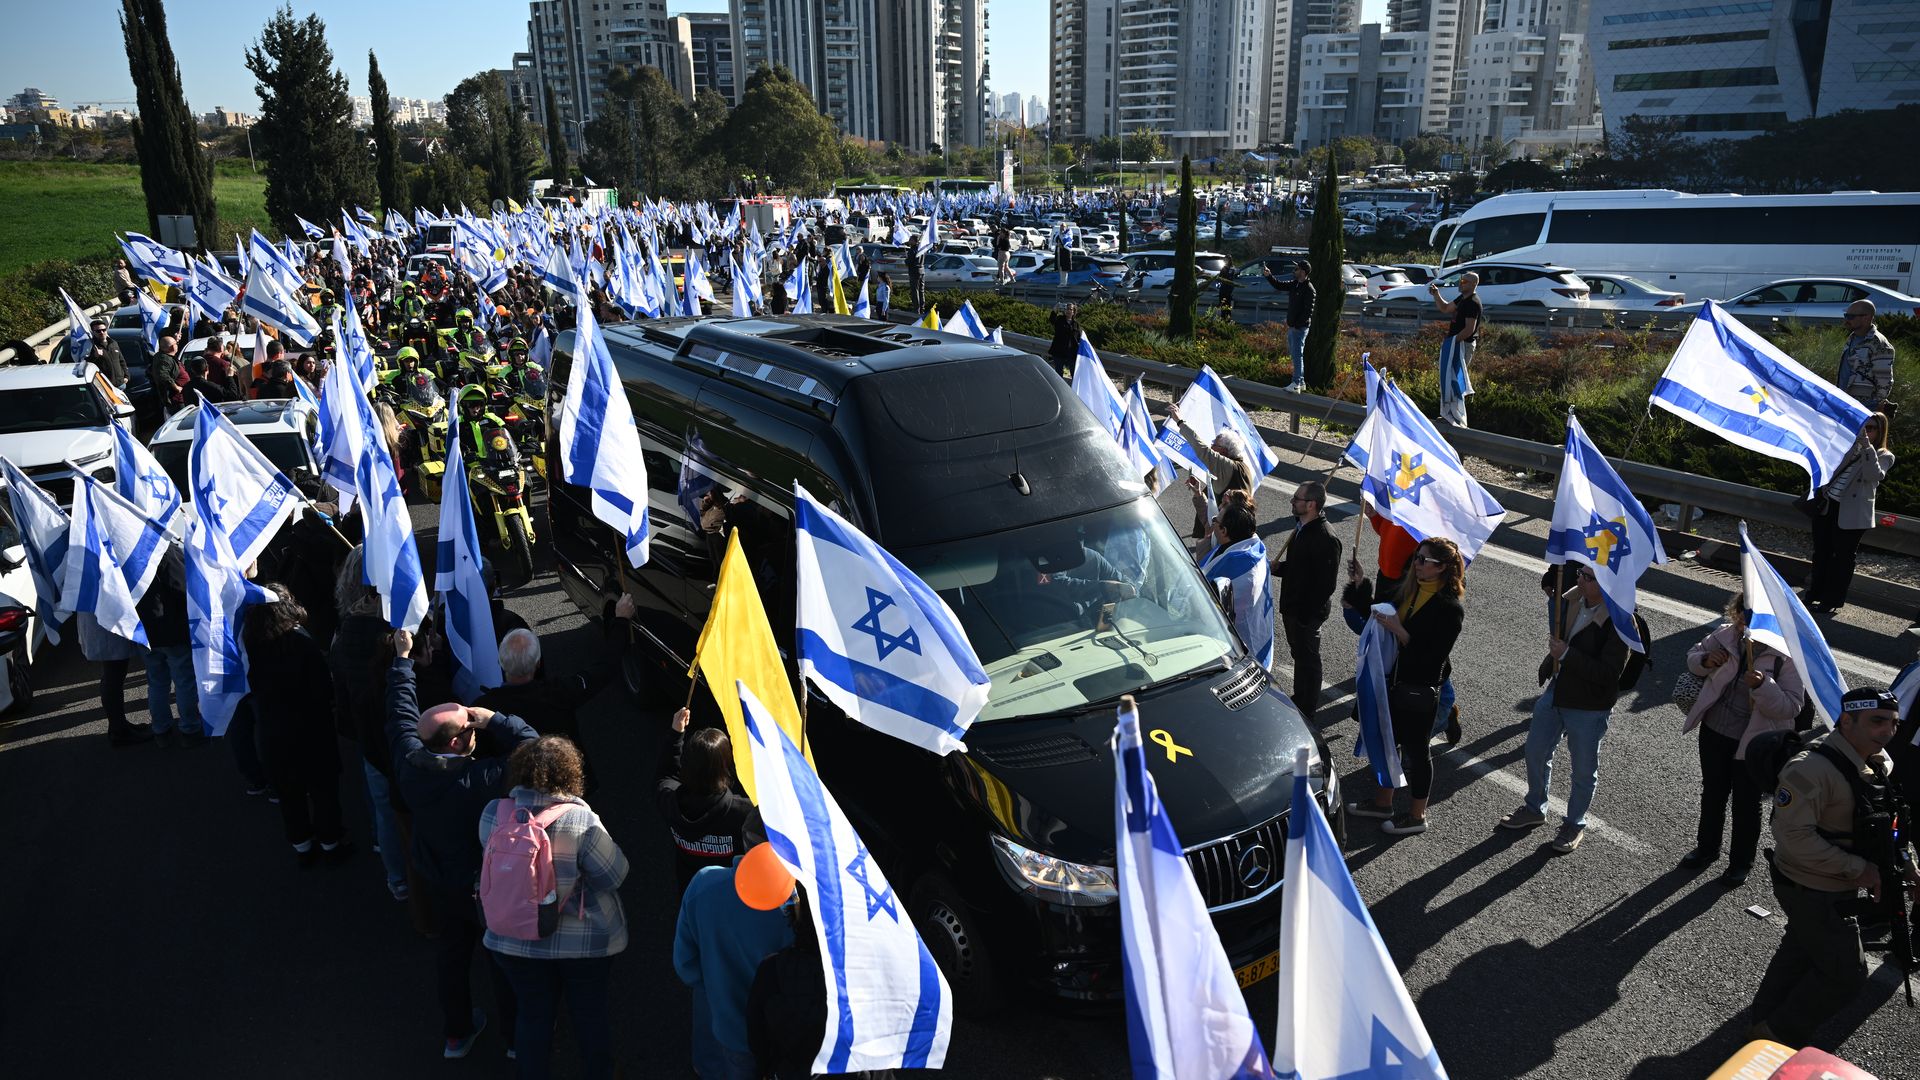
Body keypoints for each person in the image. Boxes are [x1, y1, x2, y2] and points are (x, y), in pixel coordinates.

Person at [387, 627, 534, 1061]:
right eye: (469, 727)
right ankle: (513, 1039)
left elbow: (398, 712)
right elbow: (534, 747)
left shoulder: (409, 761)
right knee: (501, 963)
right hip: (483, 885)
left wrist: (402, 662)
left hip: (439, 878)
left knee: (451, 956)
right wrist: (496, 720)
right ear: (457, 743)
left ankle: (457, 1034)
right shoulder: (481, 778)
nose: (475, 729)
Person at [1747, 686, 1914, 1048]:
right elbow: (1793, 837)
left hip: (1836, 882)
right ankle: (1778, 1034)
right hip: (1811, 885)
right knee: (1847, 974)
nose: (1887, 730)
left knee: (1802, 948)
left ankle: (1763, 1019)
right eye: (1877, 721)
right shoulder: (1809, 770)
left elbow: (1887, 822)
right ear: (1846, 720)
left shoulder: (1877, 762)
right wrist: (1862, 870)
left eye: (1893, 722)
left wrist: (1906, 864)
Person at [481, 736, 630, 1080]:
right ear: (570, 773)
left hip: (513, 940)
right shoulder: (582, 820)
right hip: (584, 945)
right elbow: (614, 875)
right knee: (589, 1013)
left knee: (532, 1015)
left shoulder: (494, 814)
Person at [1499, 565, 1631, 854]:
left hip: (1589, 705)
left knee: (1583, 769)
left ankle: (1575, 823)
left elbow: (1609, 674)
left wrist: (1567, 655)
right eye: (1580, 574)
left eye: (1587, 577)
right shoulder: (1572, 600)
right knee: (1535, 750)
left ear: (1607, 584)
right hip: (1557, 692)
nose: (1578, 579)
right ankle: (1534, 807)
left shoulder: (1620, 621)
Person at [1342, 537, 1467, 836]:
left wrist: (1399, 630)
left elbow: (1432, 655)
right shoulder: (1409, 590)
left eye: (1425, 560)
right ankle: (1383, 803)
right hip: (1394, 682)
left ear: (1444, 568)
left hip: (1419, 688)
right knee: (1389, 742)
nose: (1417, 564)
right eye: (1417, 557)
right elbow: (1377, 611)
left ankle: (1416, 815)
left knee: (1417, 750)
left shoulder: (1450, 608)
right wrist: (1360, 584)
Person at [1680, 597, 1806, 887]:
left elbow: (1791, 708)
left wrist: (1763, 686)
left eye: (1750, 618)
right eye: (1741, 616)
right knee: (1713, 792)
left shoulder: (1785, 656)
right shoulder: (1725, 635)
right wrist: (1705, 660)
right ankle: (1706, 849)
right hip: (1714, 731)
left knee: (1746, 803)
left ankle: (1740, 864)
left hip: (1756, 744)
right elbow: (1693, 657)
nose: (1743, 624)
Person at [675, 809, 795, 1080]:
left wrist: (715, 986)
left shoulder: (703, 884)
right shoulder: (797, 914)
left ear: (744, 841)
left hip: (724, 1025)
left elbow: (685, 965)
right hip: (775, 1033)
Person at [473, 594, 636, 792]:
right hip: (565, 785)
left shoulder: (485, 708)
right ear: (538, 663)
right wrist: (620, 620)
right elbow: (605, 667)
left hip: (515, 793)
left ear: (500, 662)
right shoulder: (559, 692)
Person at [245, 583, 351, 864]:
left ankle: (301, 844)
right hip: (312, 729)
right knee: (323, 789)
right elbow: (322, 687)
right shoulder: (301, 642)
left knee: (289, 793)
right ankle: (331, 842)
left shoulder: (248, 643)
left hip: (273, 731)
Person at [656, 706, 752, 895]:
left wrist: (676, 734)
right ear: (726, 766)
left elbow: (663, 775)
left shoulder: (668, 801)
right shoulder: (744, 813)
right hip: (731, 896)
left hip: (691, 892)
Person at [1807, 412, 1895, 614]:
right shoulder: (1849, 447)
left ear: (1880, 431)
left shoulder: (1883, 455)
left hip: (1853, 513)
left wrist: (1867, 447)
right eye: (1863, 427)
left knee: (1842, 558)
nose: (1866, 432)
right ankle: (1813, 594)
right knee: (1821, 554)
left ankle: (1831, 601)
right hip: (1829, 506)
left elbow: (1874, 476)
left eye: (1871, 428)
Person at [1272, 481, 1342, 717]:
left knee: (1308, 662)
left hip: (1306, 614)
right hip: (1292, 606)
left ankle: (1307, 709)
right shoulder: (1301, 526)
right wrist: (1279, 568)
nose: (1292, 502)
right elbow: (1299, 568)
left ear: (1311, 504)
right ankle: (1300, 698)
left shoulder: (1325, 538)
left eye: (1297, 499)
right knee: (1299, 656)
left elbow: (1325, 585)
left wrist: (1304, 618)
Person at [1198, 492, 1275, 674]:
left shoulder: (1232, 566)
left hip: (1238, 650)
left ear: (1224, 531)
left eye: (1216, 520)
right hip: (1258, 634)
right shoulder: (1252, 545)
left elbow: (1197, 596)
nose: (1213, 521)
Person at [135, 546, 203, 746]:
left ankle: (161, 730)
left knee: (156, 681)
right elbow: (182, 587)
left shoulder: (123, 551)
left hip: (143, 630)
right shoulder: (161, 549)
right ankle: (190, 728)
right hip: (171, 628)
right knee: (184, 681)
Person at [77, 612, 151, 746]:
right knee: (113, 675)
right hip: (105, 621)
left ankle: (119, 725)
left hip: (104, 619)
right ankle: (119, 730)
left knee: (114, 674)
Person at [1427, 271, 1480, 427]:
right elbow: (1445, 308)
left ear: (1473, 284)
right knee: (1448, 379)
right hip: (1455, 344)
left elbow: (1469, 329)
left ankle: (1457, 418)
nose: (1460, 283)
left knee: (1456, 380)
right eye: (1460, 281)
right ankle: (1448, 415)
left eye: (1464, 281)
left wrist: (1452, 342)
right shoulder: (1462, 299)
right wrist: (1436, 294)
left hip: (1463, 345)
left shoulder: (1473, 303)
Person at [1260, 261, 1314, 391]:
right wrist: (1269, 276)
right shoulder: (1295, 284)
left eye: (1296, 269)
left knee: (1297, 355)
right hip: (1293, 327)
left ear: (1303, 272)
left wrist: (1296, 325)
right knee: (1295, 355)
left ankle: (1296, 383)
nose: (1294, 271)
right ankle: (1300, 382)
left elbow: (1308, 312)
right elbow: (1279, 285)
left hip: (1299, 328)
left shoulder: (1309, 289)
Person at [1837, 300, 1894, 411]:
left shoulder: (1879, 344)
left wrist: (1872, 407)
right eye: (1846, 315)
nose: (1846, 320)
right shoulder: (1852, 337)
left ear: (1866, 318)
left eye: (1850, 316)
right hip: (1845, 401)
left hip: (1862, 408)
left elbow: (1884, 382)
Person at [148, 334, 186, 415]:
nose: (177, 345)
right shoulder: (164, 359)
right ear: (172, 347)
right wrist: (176, 387)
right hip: (177, 401)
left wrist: (174, 340)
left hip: (181, 398)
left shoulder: (165, 355)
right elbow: (162, 375)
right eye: (176, 344)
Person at [84, 317, 127, 388]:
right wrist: (95, 356)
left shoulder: (113, 343)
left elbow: (121, 361)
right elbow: (86, 365)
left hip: (121, 384)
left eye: (104, 330)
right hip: (105, 387)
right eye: (98, 331)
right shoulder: (91, 346)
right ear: (93, 332)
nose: (102, 332)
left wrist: (126, 376)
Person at [1047, 302, 1081, 379]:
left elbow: (1079, 338)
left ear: (1073, 311)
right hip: (1059, 352)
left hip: (1071, 354)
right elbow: (1052, 320)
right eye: (1067, 309)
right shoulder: (1059, 319)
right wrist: (1055, 310)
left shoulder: (1076, 324)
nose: (1068, 311)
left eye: (1071, 309)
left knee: (1074, 374)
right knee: (1059, 375)